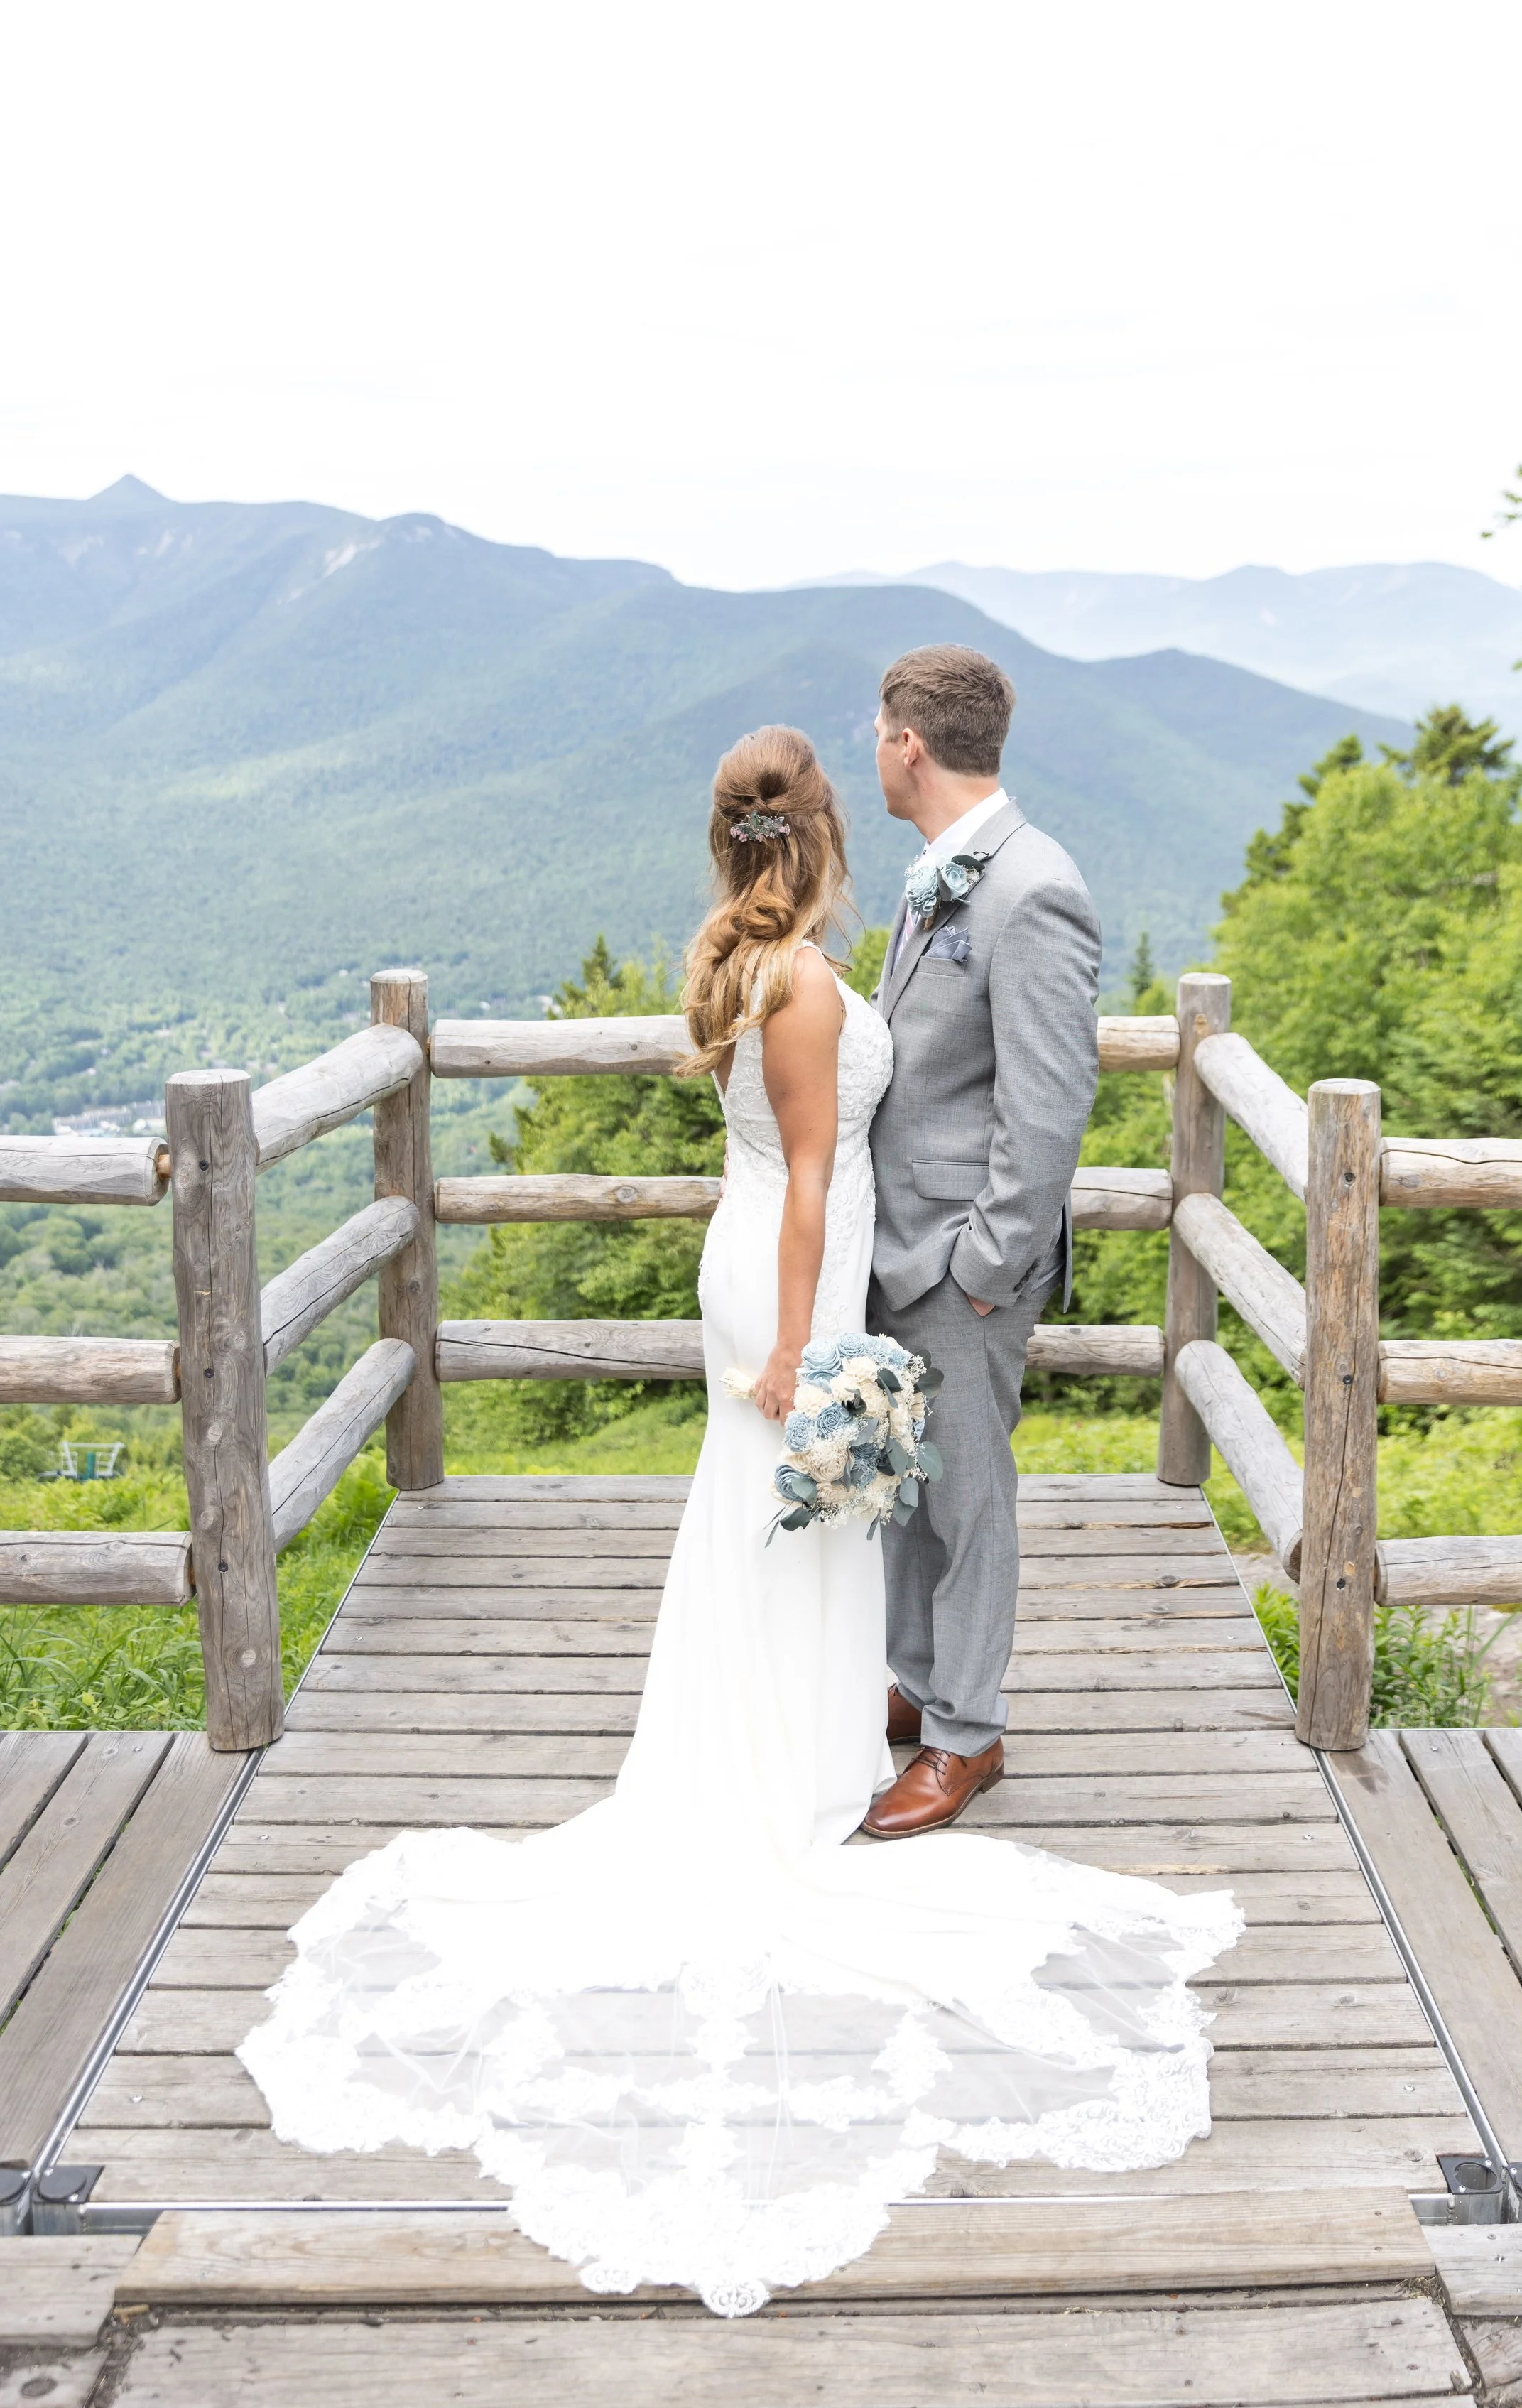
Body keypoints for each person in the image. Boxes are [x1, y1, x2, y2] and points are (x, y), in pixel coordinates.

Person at [240, 722, 1238, 2319]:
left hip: (786, 1260)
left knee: (804, 1518)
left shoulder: (748, 956)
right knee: (805, 1514)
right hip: (793, 1272)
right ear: (819, 834)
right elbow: (810, 1175)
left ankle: (834, 1721)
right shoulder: (813, 983)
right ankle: (806, 1757)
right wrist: (794, 1342)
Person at [864, 644, 1102, 1837]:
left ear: (910, 744)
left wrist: (983, 1267)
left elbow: (1048, 1107)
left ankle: (970, 1735)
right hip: (897, 1248)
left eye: (877, 735)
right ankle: (920, 1685)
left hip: (962, 1263)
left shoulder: (1031, 887)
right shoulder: (942, 873)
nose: (875, 753)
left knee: (969, 1502)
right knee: (905, 1492)